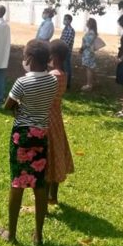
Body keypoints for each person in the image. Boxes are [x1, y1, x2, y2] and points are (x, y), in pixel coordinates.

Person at [0, 40, 58, 246]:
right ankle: (38, 235)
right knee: (38, 185)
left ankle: (12, 234)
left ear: (30, 58)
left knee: (17, 182)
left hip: (22, 136)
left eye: (25, 56)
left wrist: (18, 108)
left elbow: (7, 105)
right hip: (41, 134)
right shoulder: (52, 81)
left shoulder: (22, 82)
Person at [46, 40, 74, 205]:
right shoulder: (63, 74)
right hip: (57, 118)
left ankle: (45, 198)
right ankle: (53, 196)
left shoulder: (52, 76)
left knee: (48, 156)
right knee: (56, 153)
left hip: (48, 118)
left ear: (54, 56)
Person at [79, 17, 98, 91]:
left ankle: (89, 85)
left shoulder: (91, 32)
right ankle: (90, 83)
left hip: (88, 52)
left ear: (90, 24)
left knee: (89, 68)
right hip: (87, 52)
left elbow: (87, 43)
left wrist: (81, 49)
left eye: (88, 22)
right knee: (89, 68)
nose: (86, 23)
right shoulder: (90, 32)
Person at [60, 14, 75, 90]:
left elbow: (67, 42)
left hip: (66, 51)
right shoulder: (65, 29)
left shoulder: (71, 30)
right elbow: (61, 39)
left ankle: (67, 84)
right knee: (62, 67)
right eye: (64, 19)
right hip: (62, 50)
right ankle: (62, 82)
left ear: (70, 20)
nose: (64, 20)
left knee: (67, 67)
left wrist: (61, 46)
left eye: (66, 19)